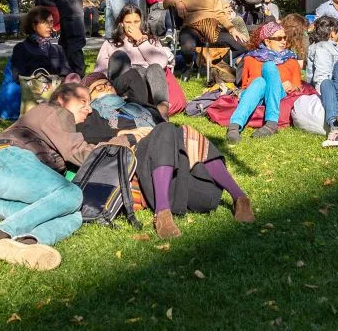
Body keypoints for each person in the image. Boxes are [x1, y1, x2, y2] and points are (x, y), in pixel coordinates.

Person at [0, 83, 141, 271]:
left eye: (90, 103)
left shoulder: (52, 124)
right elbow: (80, 153)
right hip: (8, 161)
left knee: (73, 217)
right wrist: (126, 139)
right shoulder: (54, 111)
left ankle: (24, 244)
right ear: (61, 98)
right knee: (72, 194)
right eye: (83, 101)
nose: (89, 109)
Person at [77, 88, 253, 239]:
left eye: (107, 83)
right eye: (98, 87)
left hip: (199, 195)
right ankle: (162, 213)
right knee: (167, 128)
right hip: (143, 171)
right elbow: (91, 139)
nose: (105, 87)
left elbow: (134, 79)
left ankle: (240, 199)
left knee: (182, 130)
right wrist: (128, 134)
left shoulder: (137, 106)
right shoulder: (95, 116)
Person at [225, 21, 301, 144]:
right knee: (260, 82)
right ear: (267, 41)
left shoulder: (291, 61)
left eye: (284, 38)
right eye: (278, 38)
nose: (283, 41)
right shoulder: (250, 58)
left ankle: (270, 123)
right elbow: (245, 85)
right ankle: (235, 126)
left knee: (269, 66)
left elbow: (298, 86)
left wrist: (292, 86)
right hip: (255, 93)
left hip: (277, 92)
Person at [94, 6, 173, 115]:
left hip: (148, 85)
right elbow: (99, 72)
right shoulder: (111, 43)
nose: (132, 25)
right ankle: (139, 112)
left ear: (142, 22)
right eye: (128, 22)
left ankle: (162, 112)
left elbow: (161, 62)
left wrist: (140, 40)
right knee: (121, 58)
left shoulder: (151, 40)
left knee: (155, 68)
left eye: (136, 22)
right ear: (121, 23)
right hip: (124, 85)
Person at [305, 16, 338, 147]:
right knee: (326, 82)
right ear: (332, 32)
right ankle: (336, 130)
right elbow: (321, 76)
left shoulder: (331, 46)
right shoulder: (322, 47)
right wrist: (326, 93)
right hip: (328, 87)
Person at [9, 7, 74, 84]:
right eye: (45, 22)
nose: (49, 26)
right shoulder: (21, 48)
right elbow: (17, 76)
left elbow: (66, 71)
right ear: (34, 25)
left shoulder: (58, 49)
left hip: (57, 91)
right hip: (34, 92)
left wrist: (60, 79)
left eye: (51, 22)